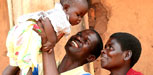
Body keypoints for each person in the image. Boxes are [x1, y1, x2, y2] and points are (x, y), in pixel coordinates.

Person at [3, 0, 89, 75]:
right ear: (66, 8)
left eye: (86, 41)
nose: (79, 19)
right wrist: (51, 42)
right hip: (28, 34)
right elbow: (46, 21)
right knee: (26, 66)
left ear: (91, 57)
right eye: (78, 15)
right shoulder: (62, 19)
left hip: (18, 31)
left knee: (15, 62)